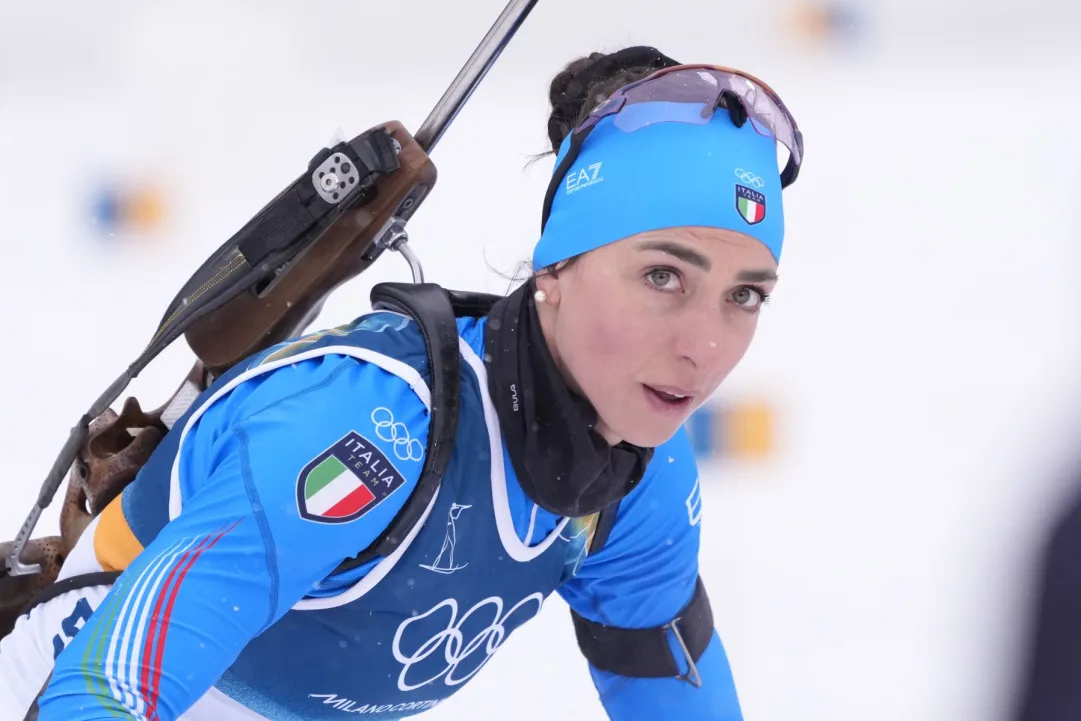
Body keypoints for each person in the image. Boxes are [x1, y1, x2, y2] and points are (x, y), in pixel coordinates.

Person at [0, 45, 803, 720]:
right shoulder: (370, 429)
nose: (704, 345)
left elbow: (667, 687)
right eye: (662, 276)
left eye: (744, 296)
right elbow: (107, 686)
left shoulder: (637, 476)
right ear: (555, 268)